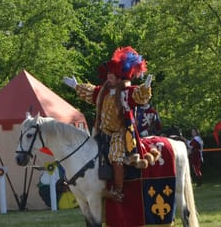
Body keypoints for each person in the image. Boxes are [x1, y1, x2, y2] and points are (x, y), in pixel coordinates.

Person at [64, 45, 156, 203]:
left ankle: (118, 191)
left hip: (120, 134)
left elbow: (139, 95)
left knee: (115, 156)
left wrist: (145, 89)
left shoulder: (127, 92)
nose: (109, 76)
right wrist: (75, 85)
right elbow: (90, 92)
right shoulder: (103, 91)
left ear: (119, 77)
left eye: (112, 74)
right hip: (102, 132)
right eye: (108, 74)